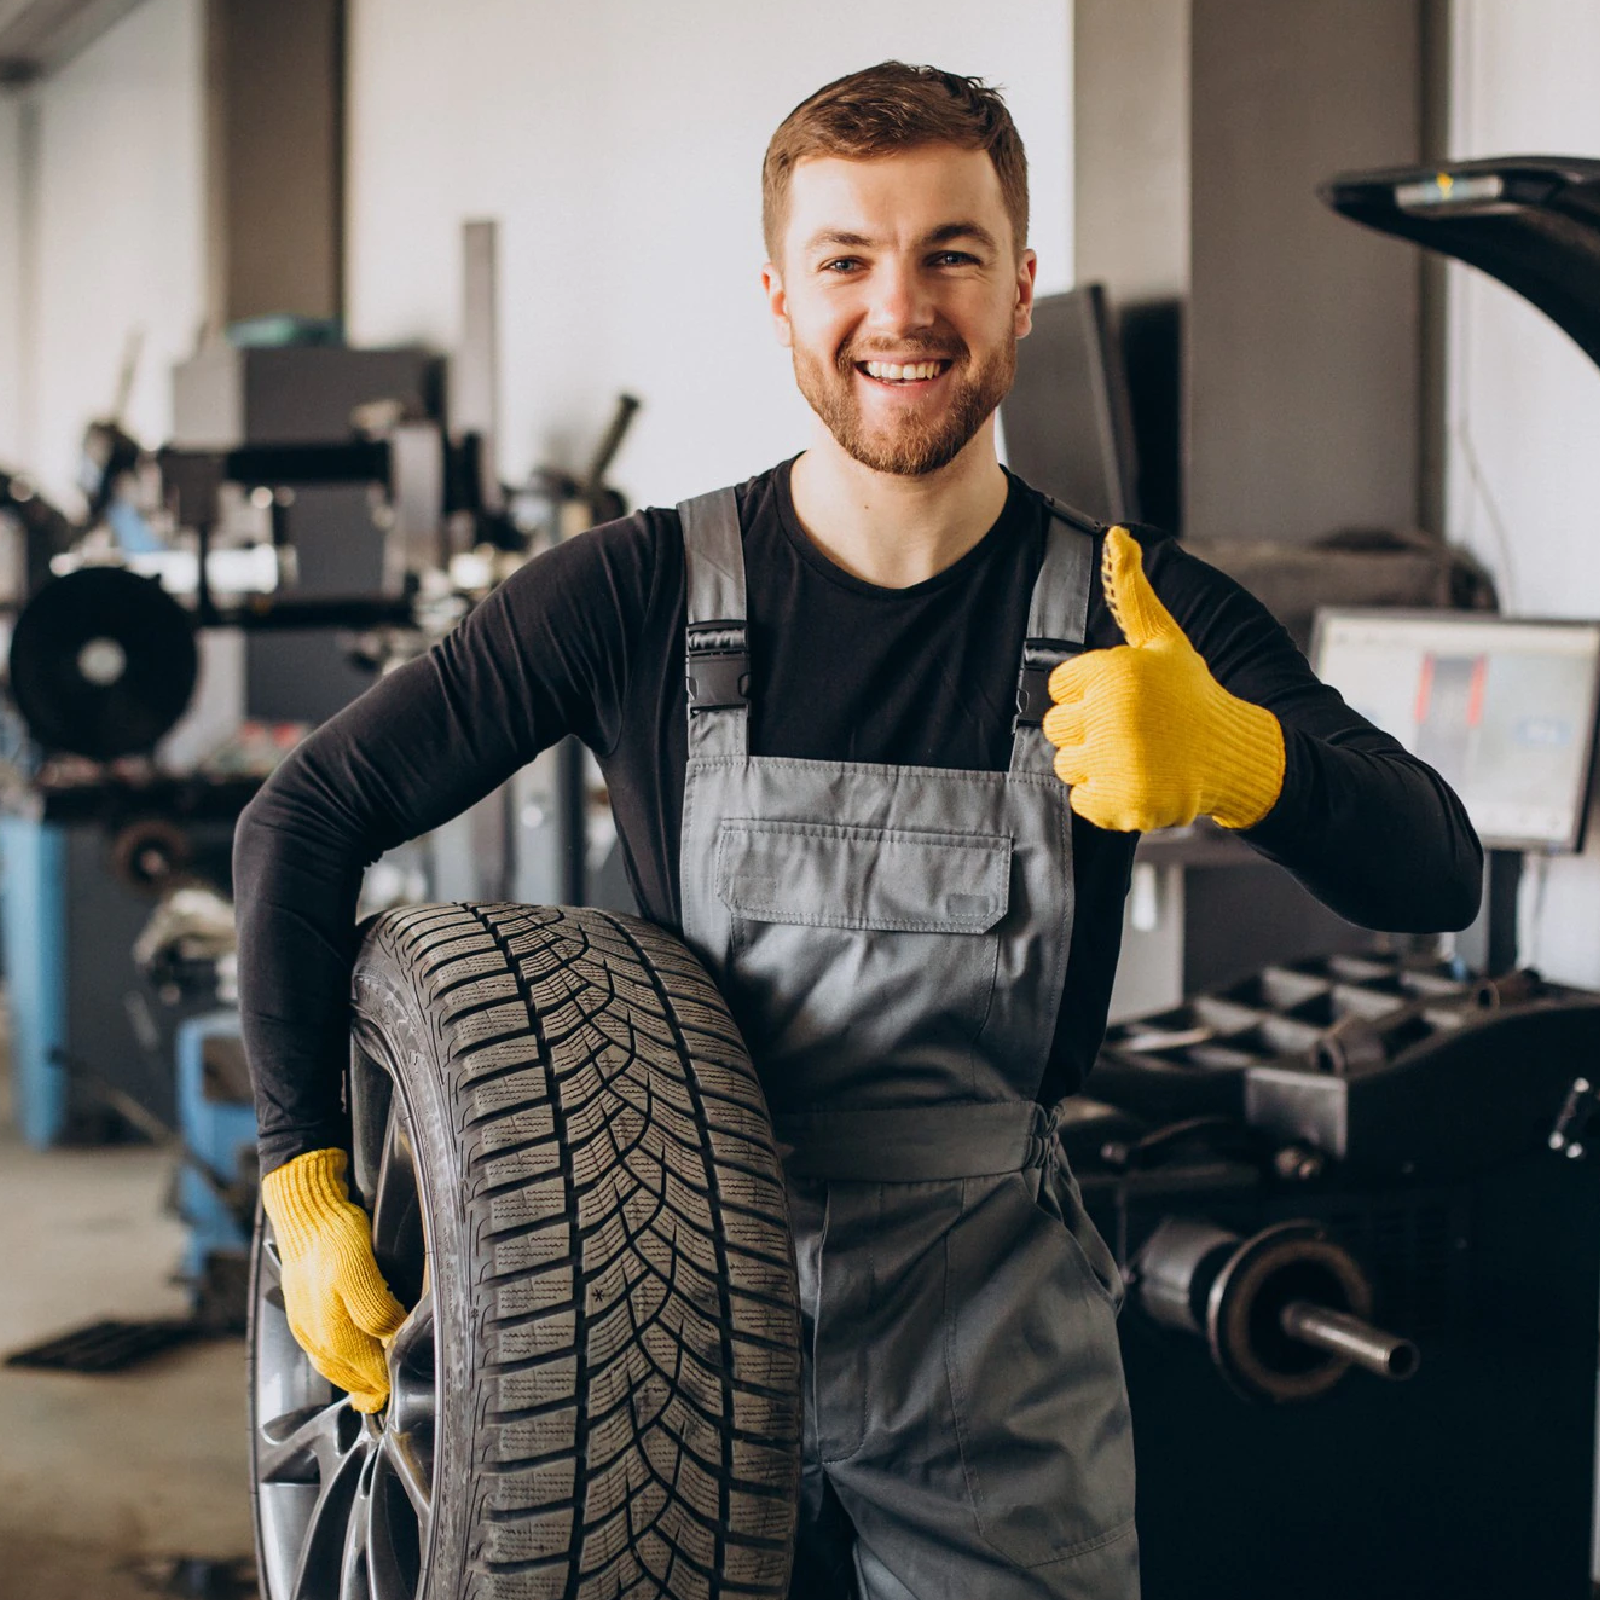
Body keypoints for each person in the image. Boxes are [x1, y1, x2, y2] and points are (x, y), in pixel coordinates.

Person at [236, 60, 1482, 1600]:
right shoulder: (634, 593)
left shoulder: (1136, 610)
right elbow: (306, 817)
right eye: (847, 261)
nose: (901, 310)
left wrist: (1244, 759)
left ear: (1022, 290)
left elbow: (1436, 865)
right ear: (779, 297)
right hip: (650, 1332)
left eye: (951, 254)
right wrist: (299, 1174)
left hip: (992, 1365)